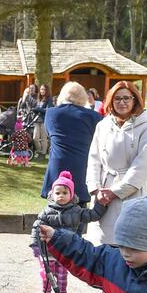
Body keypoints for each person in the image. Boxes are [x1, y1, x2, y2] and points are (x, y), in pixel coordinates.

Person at [86, 81, 147, 246]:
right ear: (111, 101)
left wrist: (115, 192)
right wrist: (96, 189)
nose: (122, 102)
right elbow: (94, 159)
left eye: (127, 98)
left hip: (131, 193)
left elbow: (142, 166)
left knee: (127, 245)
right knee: (101, 246)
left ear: (135, 100)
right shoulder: (102, 126)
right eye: (117, 98)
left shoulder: (146, 127)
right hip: (103, 192)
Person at [30, 171, 106, 293]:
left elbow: (92, 215)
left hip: (65, 251)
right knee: (46, 274)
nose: (61, 196)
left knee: (62, 275)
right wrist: (36, 246)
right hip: (48, 251)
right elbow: (37, 227)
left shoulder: (76, 211)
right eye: (58, 193)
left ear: (71, 195)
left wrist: (101, 204)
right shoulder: (46, 211)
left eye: (65, 193)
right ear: (52, 194)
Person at [41, 82, 103, 211]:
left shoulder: (51, 113)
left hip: (58, 164)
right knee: (79, 211)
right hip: (82, 165)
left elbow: (48, 133)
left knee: (54, 208)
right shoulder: (94, 117)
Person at [31, 84, 53, 157]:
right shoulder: (38, 99)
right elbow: (37, 108)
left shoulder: (49, 99)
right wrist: (34, 110)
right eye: (41, 89)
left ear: (47, 90)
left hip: (44, 120)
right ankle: (39, 151)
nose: (42, 91)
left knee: (44, 138)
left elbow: (48, 110)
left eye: (43, 89)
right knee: (35, 138)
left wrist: (38, 109)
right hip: (37, 120)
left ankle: (43, 154)